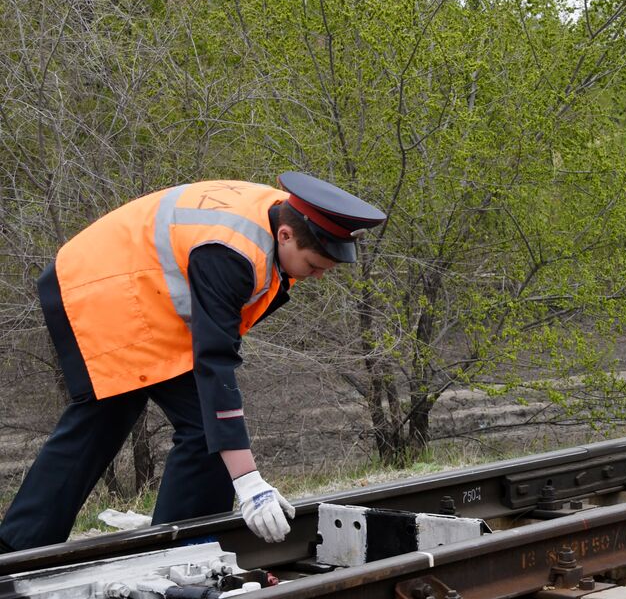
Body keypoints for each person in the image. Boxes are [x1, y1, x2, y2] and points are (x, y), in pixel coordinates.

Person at [0, 173, 386, 553]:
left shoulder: (286, 216)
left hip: (138, 296)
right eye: (315, 265)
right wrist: (248, 481)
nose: (317, 276)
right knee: (148, 420)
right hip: (101, 292)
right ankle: (174, 553)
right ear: (286, 236)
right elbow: (214, 359)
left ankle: (29, 547)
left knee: (190, 426)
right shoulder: (230, 253)